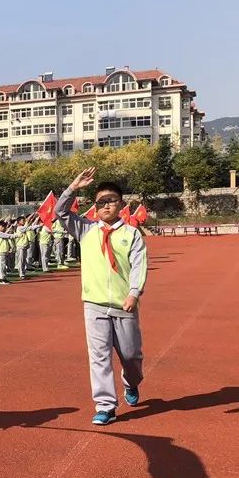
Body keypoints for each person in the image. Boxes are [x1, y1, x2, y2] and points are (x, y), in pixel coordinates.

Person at [56, 168, 147, 426]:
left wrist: (134, 293)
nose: (105, 206)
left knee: (131, 357)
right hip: (94, 305)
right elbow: (60, 213)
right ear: (94, 207)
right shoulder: (86, 230)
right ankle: (106, 405)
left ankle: (131, 382)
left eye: (111, 201)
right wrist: (73, 187)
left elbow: (139, 266)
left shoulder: (131, 235)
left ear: (121, 204)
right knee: (99, 356)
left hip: (123, 305)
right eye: (100, 202)